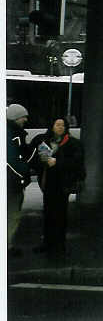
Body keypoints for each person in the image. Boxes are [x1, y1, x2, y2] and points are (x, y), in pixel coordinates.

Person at [30, 117, 85, 261]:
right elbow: (34, 159)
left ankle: (60, 245)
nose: (60, 127)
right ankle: (48, 243)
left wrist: (57, 162)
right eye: (57, 124)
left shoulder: (73, 143)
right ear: (52, 126)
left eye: (63, 125)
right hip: (47, 183)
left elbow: (77, 162)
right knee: (48, 212)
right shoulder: (44, 141)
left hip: (63, 184)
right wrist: (42, 162)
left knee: (60, 214)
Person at [7, 104, 34, 258]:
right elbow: (13, 160)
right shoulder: (14, 134)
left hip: (10, 182)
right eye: (23, 116)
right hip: (12, 183)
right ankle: (7, 247)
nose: (26, 119)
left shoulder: (11, 132)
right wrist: (24, 172)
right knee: (12, 214)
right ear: (16, 117)